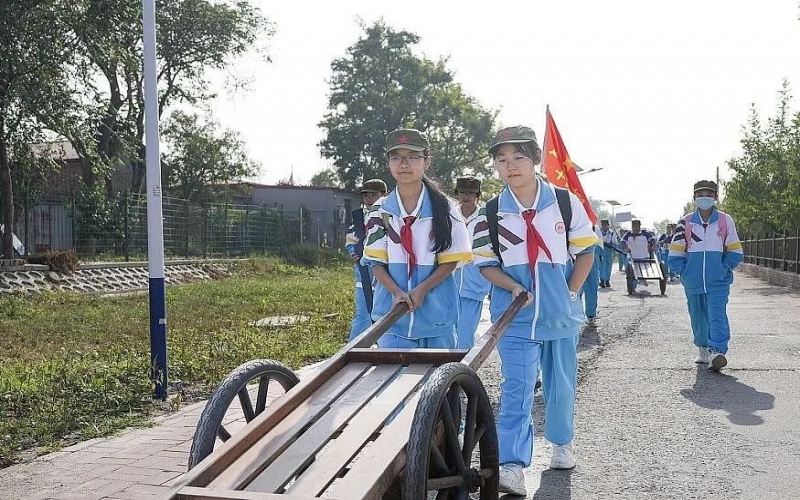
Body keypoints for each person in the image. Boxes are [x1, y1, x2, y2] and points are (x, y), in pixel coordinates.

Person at [472, 125, 597, 496]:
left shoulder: (563, 202)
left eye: (519, 158)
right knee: (516, 389)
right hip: (515, 315)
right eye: (502, 160)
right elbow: (484, 263)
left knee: (560, 387)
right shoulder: (490, 213)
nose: (510, 166)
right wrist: (511, 286)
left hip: (559, 314)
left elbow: (587, 251)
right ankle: (511, 466)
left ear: (535, 160)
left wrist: (570, 291)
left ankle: (561, 443)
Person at [361, 128, 472, 348]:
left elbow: (450, 261)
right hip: (391, 319)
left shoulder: (445, 208)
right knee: (394, 382)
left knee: (438, 381)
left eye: (413, 157)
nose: (404, 164)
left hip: (437, 318)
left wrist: (421, 290)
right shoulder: (380, 210)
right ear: (388, 163)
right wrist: (397, 293)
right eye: (396, 157)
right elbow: (375, 262)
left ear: (426, 161)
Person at [668, 180, 743, 371]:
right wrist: (683, 271)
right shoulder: (685, 222)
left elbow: (735, 249)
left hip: (718, 280)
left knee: (717, 315)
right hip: (692, 281)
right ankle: (702, 348)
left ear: (715, 197)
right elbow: (676, 251)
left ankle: (717, 351)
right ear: (694, 198)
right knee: (698, 316)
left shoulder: (725, 221)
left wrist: (724, 267)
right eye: (701, 194)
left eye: (709, 194)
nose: (705, 198)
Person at [344, 179, 388, 340]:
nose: (370, 199)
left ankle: (384, 349)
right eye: (366, 195)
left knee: (385, 312)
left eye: (374, 195)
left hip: (386, 271)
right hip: (363, 271)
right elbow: (350, 241)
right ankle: (354, 349)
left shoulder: (391, 216)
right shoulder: (358, 218)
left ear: (384, 195)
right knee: (363, 313)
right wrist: (352, 252)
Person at [453, 175, 491, 348]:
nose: (466, 197)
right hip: (449, 281)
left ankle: (463, 372)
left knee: (464, 333)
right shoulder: (449, 215)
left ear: (478, 195)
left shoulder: (487, 217)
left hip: (474, 283)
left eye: (471, 193)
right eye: (462, 193)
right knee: (449, 332)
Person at [621, 219, 656, 291]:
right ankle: (633, 287)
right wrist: (626, 248)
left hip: (644, 257)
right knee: (633, 273)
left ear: (640, 227)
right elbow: (623, 242)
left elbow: (653, 240)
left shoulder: (645, 233)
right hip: (633, 257)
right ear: (632, 227)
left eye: (637, 227)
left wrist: (653, 246)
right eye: (634, 227)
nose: (635, 228)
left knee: (643, 271)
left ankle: (643, 279)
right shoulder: (628, 234)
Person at [580, 224, 603, 326]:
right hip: (575, 257)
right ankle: (579, 316)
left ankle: (590, 316)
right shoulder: (569, 223)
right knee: (575, 290)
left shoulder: (594, 227)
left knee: (591, 288)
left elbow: (599, 247)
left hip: (591, 256)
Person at [598, 218, 618, 288]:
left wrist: (613, 248)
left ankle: (607, 280)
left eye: (605, 225)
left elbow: (615, 243)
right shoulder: (598, 232)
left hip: (609, 251)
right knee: (601, 266)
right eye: (603, 225)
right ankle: (602, 280)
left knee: (608, 266)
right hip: (600, 250)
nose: (604, 226)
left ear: (608, 225)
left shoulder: (611, 233)